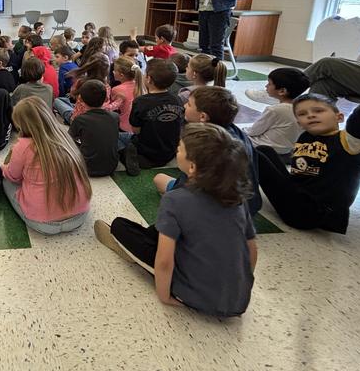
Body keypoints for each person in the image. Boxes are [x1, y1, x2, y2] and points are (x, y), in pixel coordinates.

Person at [95, 123, 257, 317]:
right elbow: (252, 251)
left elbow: (164, 261)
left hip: (190, 295)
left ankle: (126, 247)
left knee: (121, 226)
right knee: (171, 229)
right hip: (238, 302)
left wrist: (165, 296)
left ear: (192, 166)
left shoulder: (176, 199)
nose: (176, 150)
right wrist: (241, 284)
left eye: (180, 149)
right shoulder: (237, 199)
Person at [258, 85, 360, 233]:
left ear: (339, 117)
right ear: (299, 124)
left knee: (256, 156)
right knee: (263, 150)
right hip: (296, 195)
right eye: (302, 114)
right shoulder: (306, 136)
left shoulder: (349, 141)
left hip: (312, 213)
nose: (310, 115)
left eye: (319, 111)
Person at [158, 86, 262, 217]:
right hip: (249, 205)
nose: (184, 106)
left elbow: (188, 185)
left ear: (202, 116)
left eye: (189, 104)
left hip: (215, 212)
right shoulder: (238, 133)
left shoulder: (204, 144)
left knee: (159, 179)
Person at [2, 97, 92, 235]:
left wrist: (3, 167)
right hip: (80, 216)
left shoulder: (22, 146)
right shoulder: (64, 136)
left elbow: (13, 177)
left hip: (43, 224)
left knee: (6, 181)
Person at [124, 58, 184, 175]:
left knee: (121, 138)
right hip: (169, 152)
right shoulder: (177, 99)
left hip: (147, 151)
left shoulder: (141, 101)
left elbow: (136, 130)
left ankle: (130, 156)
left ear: (149, 79)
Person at [244, 68, 310, 158]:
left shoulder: (275, 110)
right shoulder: (305, 108)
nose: (266, 86)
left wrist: (243, 130)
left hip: (262, 148)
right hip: (286, 150)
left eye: (269, 84)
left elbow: (253, 132)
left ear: (282, 91)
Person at [69, 80, 121, 177]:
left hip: (87, 168)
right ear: (106, 99)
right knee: (121, 137)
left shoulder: (80, 120)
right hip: (112, 166)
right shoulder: (115, 116)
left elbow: (68, 140)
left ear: (81, 101)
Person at [53, 53, 111, 124]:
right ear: (107, 70)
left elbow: (72, 94)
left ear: (89, 67)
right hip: (96, 118)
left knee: (57, 100)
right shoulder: (107, 87)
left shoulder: (81, 82)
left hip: (77, 119)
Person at [110, 56, 145, 133]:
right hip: (139, 127)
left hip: (124, 127)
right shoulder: (141, 85)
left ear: (121, 75)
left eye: (114, 70)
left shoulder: (117, 89)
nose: (113, 72)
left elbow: (112, 108)